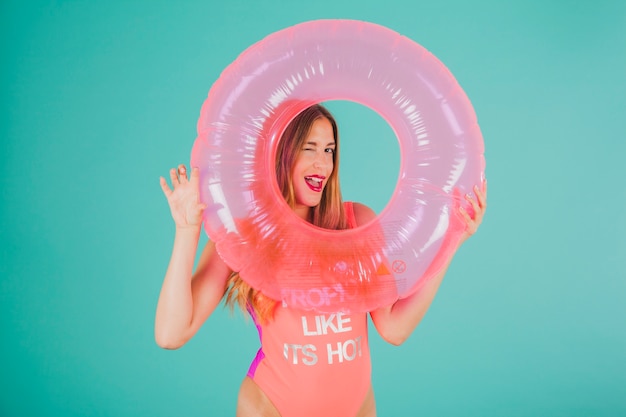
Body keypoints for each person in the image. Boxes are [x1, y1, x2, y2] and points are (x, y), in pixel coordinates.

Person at [156, 104, 486, 417]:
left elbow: (394, 327)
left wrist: (452, 241)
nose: (322, 164)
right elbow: (171, 334)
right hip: (271, 407)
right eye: (309, 148)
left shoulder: (357, 222)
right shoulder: (245, 233)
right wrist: (187, 230)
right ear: (280, 154)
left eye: (329, 150)